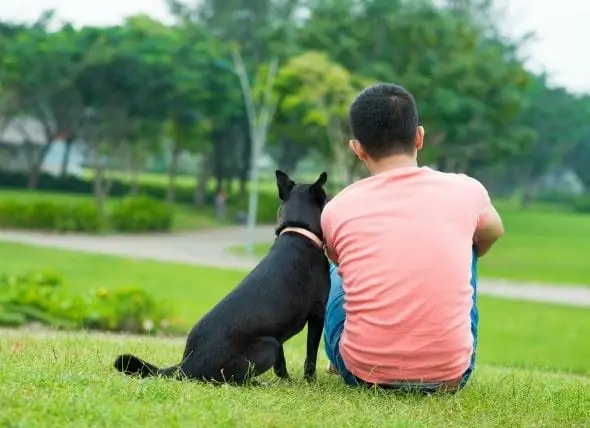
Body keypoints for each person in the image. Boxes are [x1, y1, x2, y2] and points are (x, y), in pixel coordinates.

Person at [321, 83, 505, 394]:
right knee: (470, 240)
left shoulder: (337, 208)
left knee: (334, 269)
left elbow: (342, 265)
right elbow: (493, 232)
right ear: (418, 136)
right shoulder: (466, 190)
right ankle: (440, 351)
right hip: (451, 378)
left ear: (358, 149)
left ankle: (341, 358)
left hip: (363, 374)